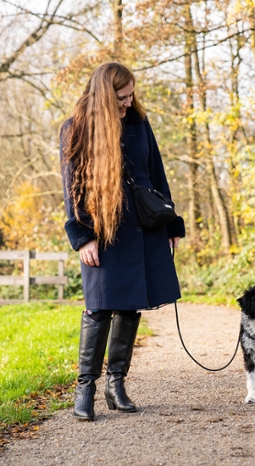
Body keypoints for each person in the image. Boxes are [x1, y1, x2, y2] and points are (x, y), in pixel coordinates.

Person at [60, 62, 185, 421]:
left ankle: (117, 384)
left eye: (131, 95)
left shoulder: (138, 123)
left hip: (141, 227)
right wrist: (82, 237)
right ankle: (86, 389)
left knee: (130, 305)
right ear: (103, 95)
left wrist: (172, 223)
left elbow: (157, 174)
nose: (129, 103)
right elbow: (72, 190)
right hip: (102, 230)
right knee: (98, 307)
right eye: (122, 97)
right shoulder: (75, 129)